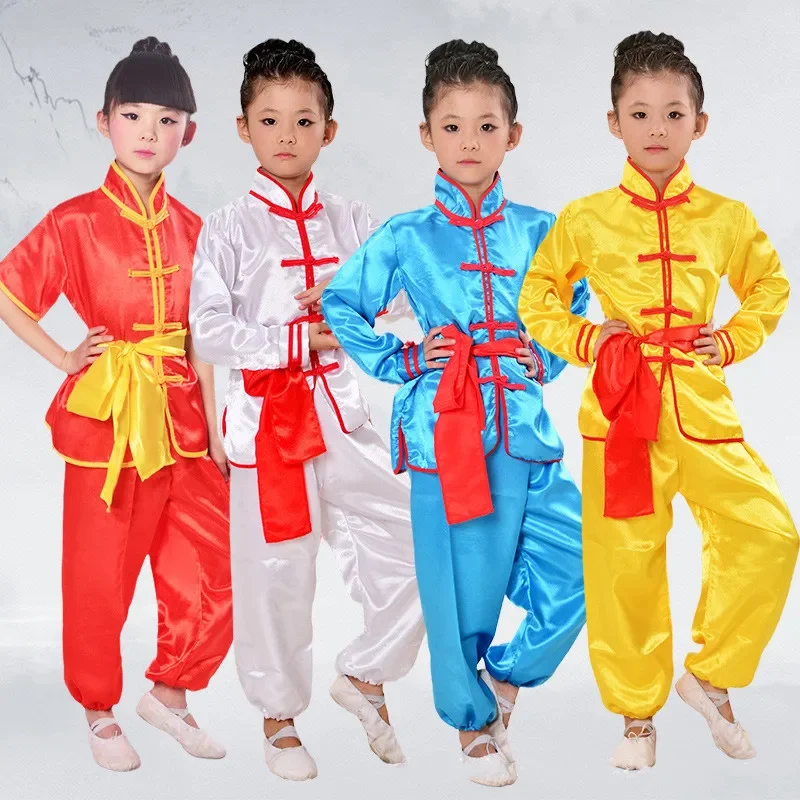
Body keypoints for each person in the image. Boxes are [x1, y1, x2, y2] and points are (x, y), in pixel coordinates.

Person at [518, 30, 798, 770]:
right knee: (626, 559)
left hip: (702, 408)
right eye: (639, 114)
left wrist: (732, 340)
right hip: (622, 409)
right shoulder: (585, 217)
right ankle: (636, 716)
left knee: (768, 533)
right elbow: (537, 294)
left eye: (674, 114)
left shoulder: (727, 217)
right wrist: (585, 338)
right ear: (614, 122)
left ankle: (711, 675)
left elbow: (770, 284)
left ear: (698, 123)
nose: (656, 129)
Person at [323, 39, 587, 787]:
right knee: (460, 590)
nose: (469, 141)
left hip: (526, 431)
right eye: (451, 126)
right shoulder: (406, 236)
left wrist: (545, 356)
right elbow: (342, 303)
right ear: (427, 135)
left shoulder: (542, 229)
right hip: (447, 430)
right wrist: (405, 359)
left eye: (486, 126)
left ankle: (504, 679)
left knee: (584, 567)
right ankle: (471, 725)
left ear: (513, 134)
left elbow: (571, 302)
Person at [189, 38, 425, 782]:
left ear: (330, 129)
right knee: (276, 574)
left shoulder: (356, 220)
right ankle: (279, 718)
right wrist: (295, 338)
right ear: (243, 128)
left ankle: (365, 674)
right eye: (269, 120)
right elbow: (209, 332)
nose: (286, 135)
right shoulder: (227, 227)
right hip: (268, 430)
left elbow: (409, 306)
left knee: (423, 540)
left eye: (303, 120)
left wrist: (349, 309)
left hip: (346, 420)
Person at [0, 37, 232, 772]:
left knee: (214, 563)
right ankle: (98, 710)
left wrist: (217, 427)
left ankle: (170, 693)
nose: (148, 132)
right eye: (132, 115)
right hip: (110, 421)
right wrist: (64, 357)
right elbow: (10, 291)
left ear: (188, 132)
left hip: (184, 420)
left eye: (167, 120)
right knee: (98, 573)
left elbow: (202, 337)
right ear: (104, 121)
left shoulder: (197, 230)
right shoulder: (72, 222)